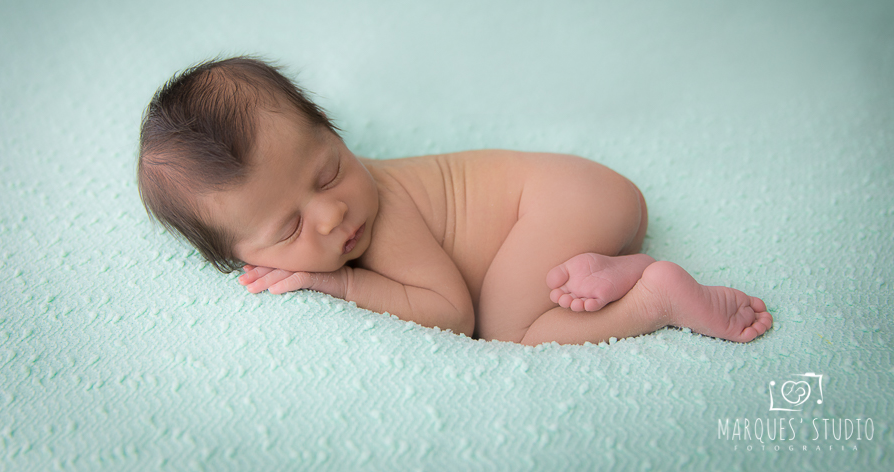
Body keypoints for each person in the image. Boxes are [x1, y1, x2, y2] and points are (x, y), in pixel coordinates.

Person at [137, 57, 772, 346]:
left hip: (558, 204)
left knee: (505, 326)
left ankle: (656, 298)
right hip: (586, 204)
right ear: (240, 257)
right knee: (536, 291)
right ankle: (614, 268)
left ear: (331, 131)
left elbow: (450, 314)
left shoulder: (380, 215)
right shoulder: (340, 208)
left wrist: (342, 288)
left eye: (327, 173)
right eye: (289, 227)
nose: (332, 215)